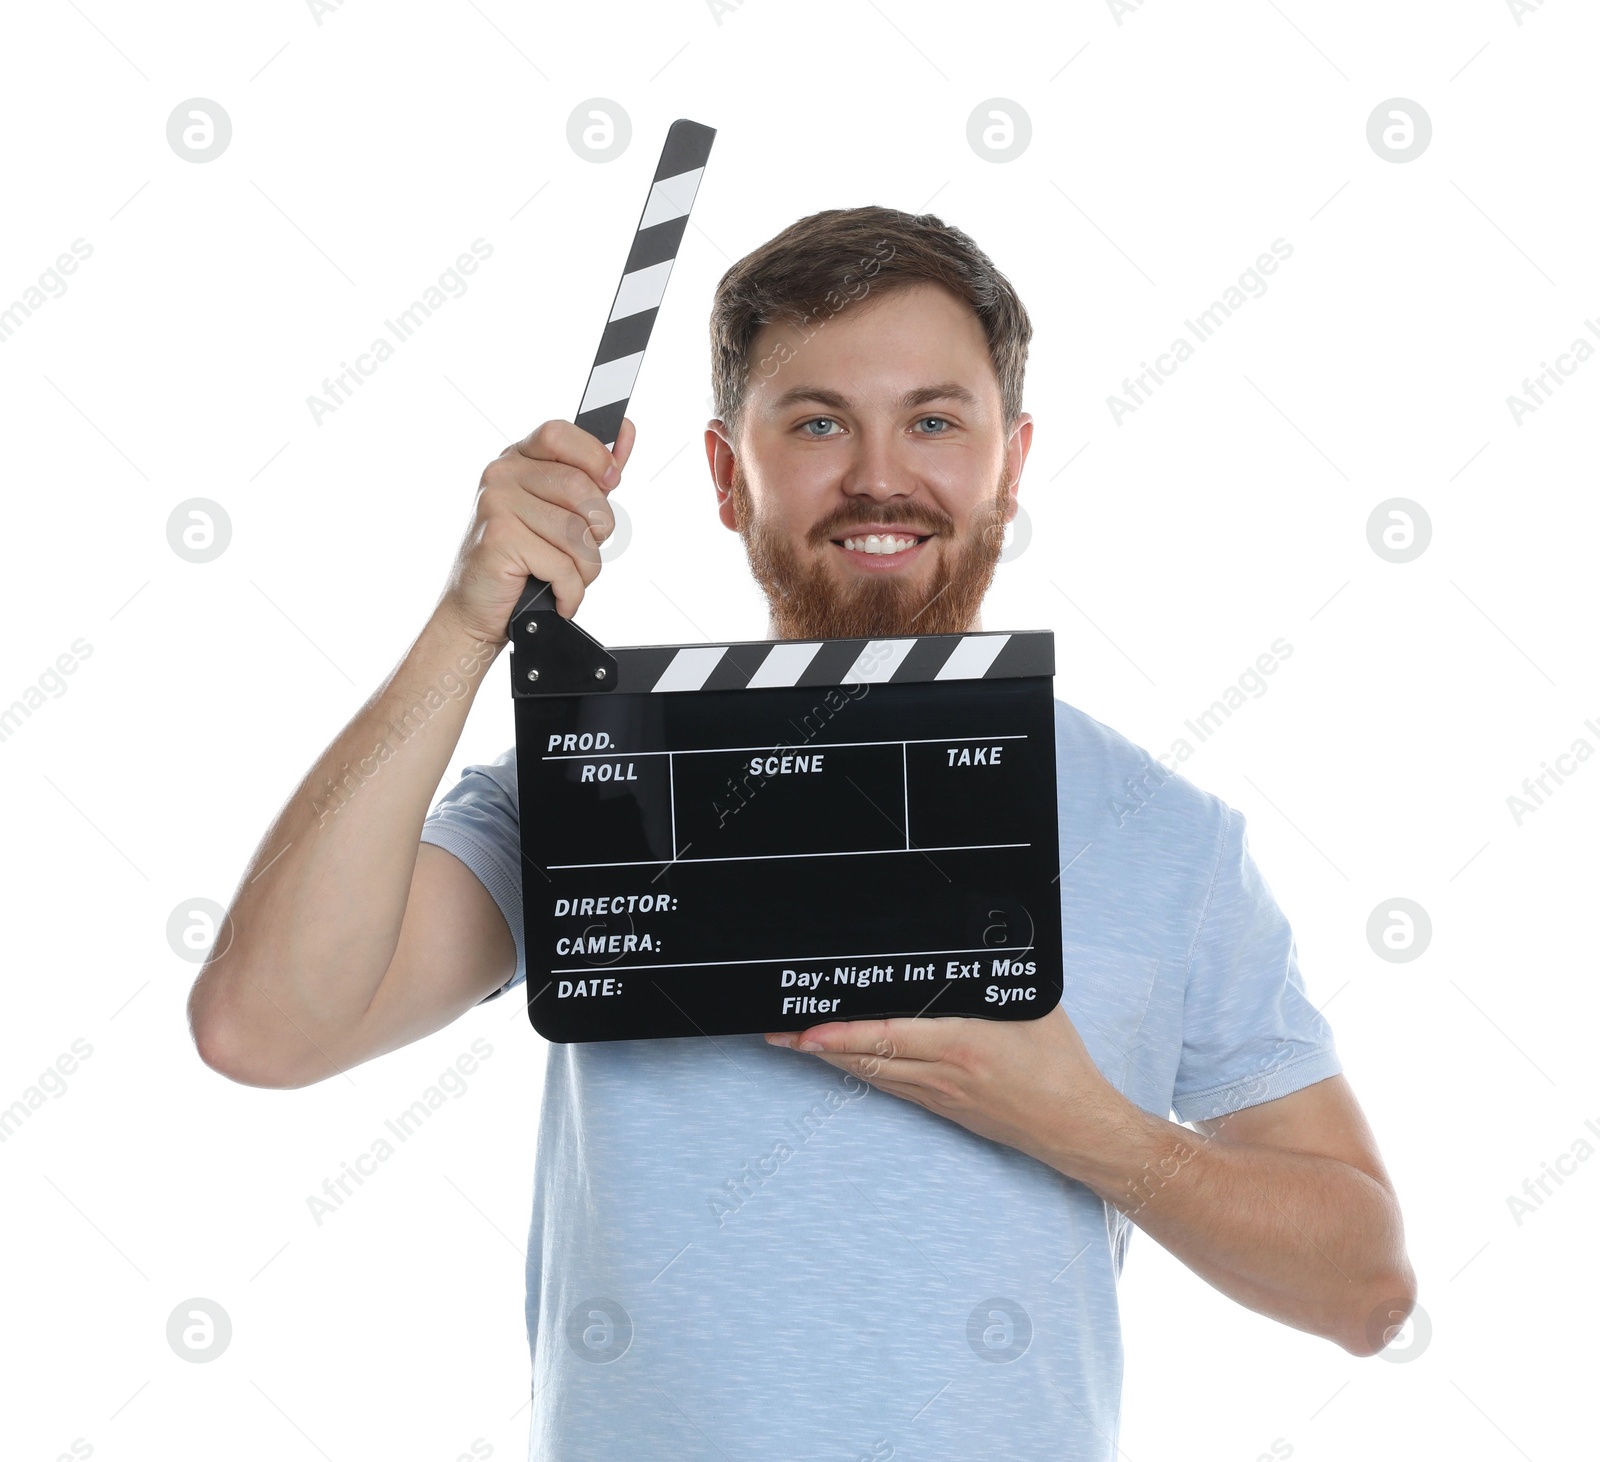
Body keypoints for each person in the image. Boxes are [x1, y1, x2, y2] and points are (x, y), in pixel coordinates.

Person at [188, 206, 1416, 1459]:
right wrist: (463, 626)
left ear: (1012, 458)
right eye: (818, 421)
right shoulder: (591, 787)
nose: (880, 474)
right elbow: (264, 1025)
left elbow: (1365, 1288)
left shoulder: (1171, 841)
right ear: (727, 475)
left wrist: (1077, 1121)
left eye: (934, 421)